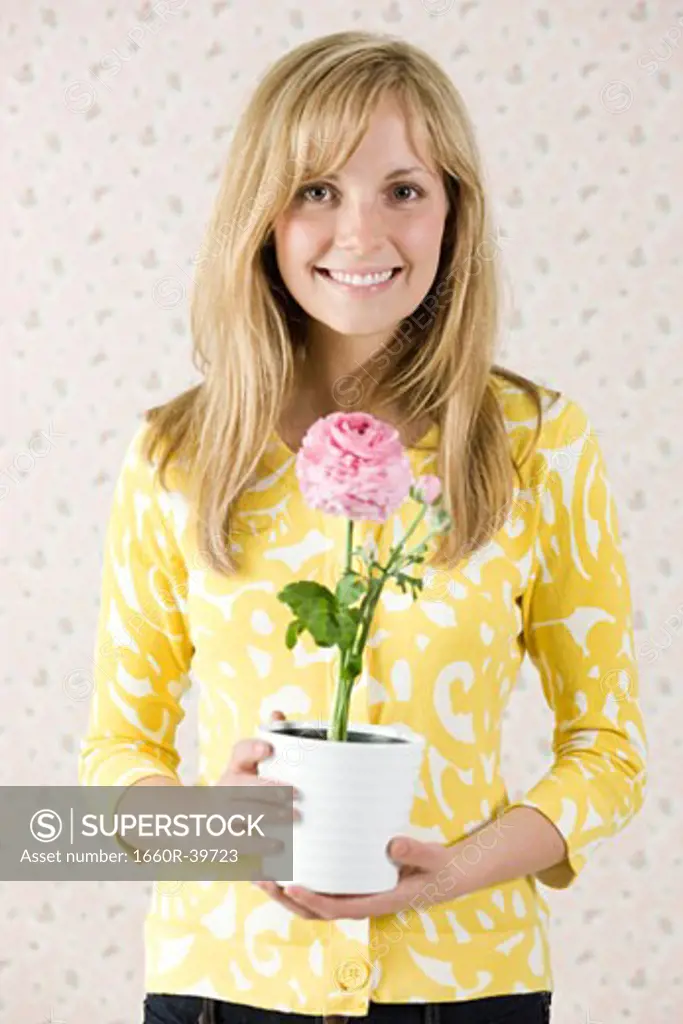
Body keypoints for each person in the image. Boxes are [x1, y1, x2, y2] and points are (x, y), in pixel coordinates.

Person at [78, 30, 647, 1024]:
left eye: (402, 189)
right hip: (222, 989)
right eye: (314, 190)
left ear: (452, 212)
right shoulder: (175, 455)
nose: (359, 232)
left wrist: (453, 871)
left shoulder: (538, 444)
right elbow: (116, 750)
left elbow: (607, 753)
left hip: (467, 988)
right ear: (262, 216)